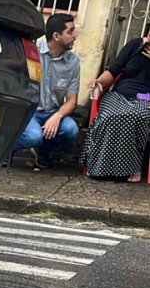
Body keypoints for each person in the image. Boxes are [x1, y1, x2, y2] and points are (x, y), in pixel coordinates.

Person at [14, 13, 81, 168]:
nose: (75, 35)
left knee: (70, 129)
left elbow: (72, 101)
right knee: (33, 135)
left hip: (51, 112)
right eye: (70, 32)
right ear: (56, 36)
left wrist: (57, 116)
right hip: (28, 111)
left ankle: (43, 151)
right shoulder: (33, 51)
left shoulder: (73, 62)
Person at [81, 32, 150, 181]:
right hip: (120, 93)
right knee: (109, 116)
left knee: (137, 116)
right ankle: (98, 167)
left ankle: (132, 169)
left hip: (146, 98)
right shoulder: (135, 45)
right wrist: (98, 81)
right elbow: (114, 69)